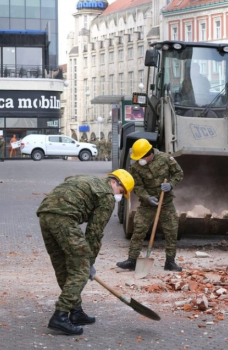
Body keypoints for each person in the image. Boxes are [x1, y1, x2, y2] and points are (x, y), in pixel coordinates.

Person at [36, 169, 134, 335]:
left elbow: (68, 181)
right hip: (64, 218)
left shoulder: (89, 179)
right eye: (121, 191)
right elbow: (94, 232)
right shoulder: (107, 196)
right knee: (80, 269)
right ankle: (60, 316)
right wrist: (89, 262)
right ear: (113, 182)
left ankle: (76, 312)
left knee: (63, 266)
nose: (119, 196)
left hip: (45, 214)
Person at [117, 139, 184, 272]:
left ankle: (170, 262)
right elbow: (137, 186)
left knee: (171, 231)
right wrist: (147, 198)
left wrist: (171, 184)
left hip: (166, 202)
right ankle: (132, 260)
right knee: (139, 229)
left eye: (142, 157)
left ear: (150, 153)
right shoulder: (136, 167)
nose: (140, 160)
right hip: (147, 204)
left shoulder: (166, 159)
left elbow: (178, 173)